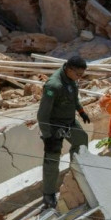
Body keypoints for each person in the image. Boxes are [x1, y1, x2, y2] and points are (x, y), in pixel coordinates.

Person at [37, 56, 90, 209]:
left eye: (82, 75)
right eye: (78, 75)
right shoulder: (54, 86)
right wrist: (47, 135)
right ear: (69, 69)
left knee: (81, 141)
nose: (80, 78)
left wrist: (81, 111)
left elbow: (73, 98)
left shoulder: (71, 80)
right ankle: (49, 195)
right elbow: (42, 114)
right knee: (52, 160)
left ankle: (77, 174)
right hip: (54, 126)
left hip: (69, 122)